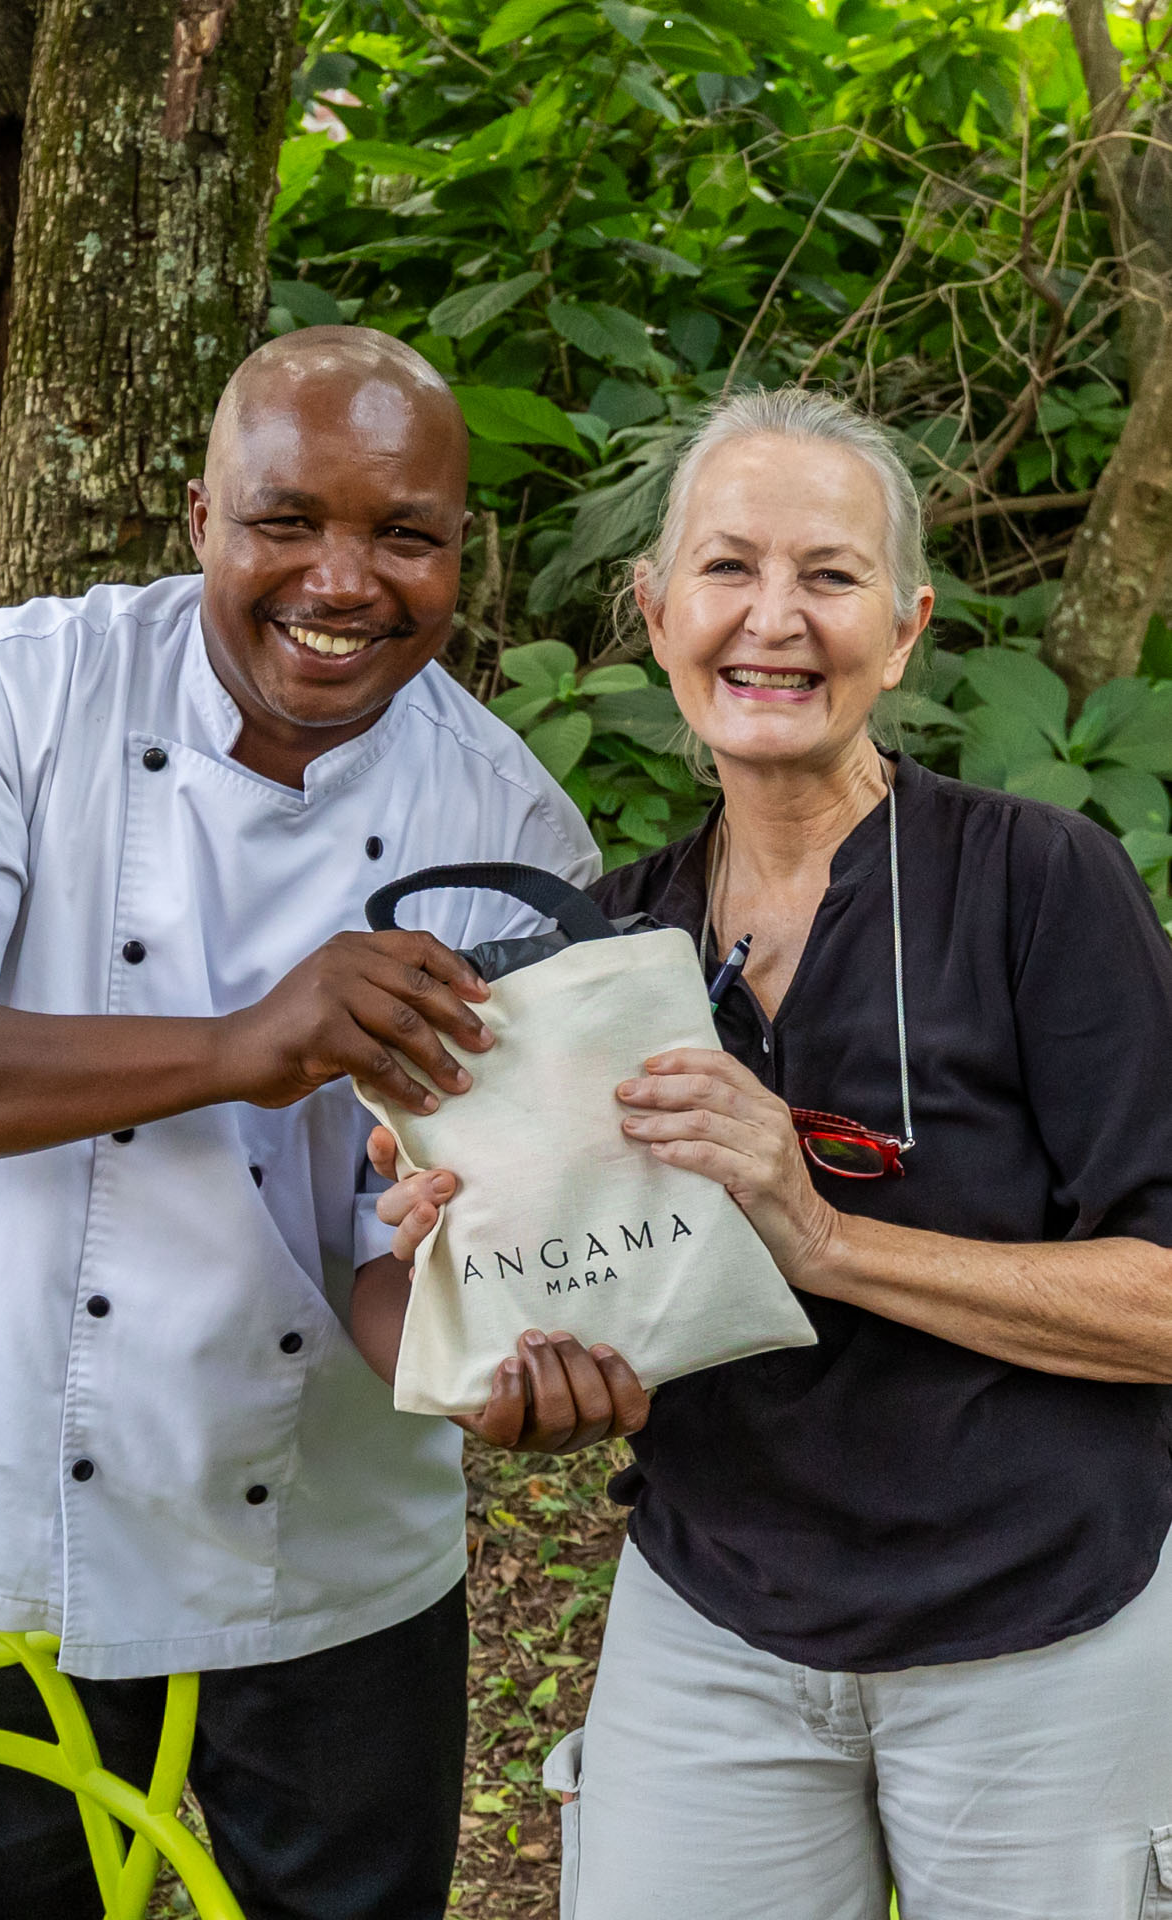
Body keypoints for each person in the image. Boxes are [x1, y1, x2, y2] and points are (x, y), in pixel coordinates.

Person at [0, 326, 620, 1920]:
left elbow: (426, 1253)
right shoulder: (23, 686)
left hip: (331, 1562)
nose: (345, 579)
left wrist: (496, 1363)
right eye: (287, 521)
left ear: (462, 553)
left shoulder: (512, 824)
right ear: (200, 520)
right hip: (5, 1502)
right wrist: (245, 1044)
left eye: (406, 537)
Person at [369, 386, 1172, 1919]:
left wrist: (824, 1238)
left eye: (831, 574)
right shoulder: (599, 950)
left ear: (910, 623)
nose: (775, 621)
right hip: (715, 1624)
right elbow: (612, 1306)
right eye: (730, 569)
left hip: (1044, 1633)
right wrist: (489, 1290)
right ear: (657, 611)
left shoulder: (1037, 884)